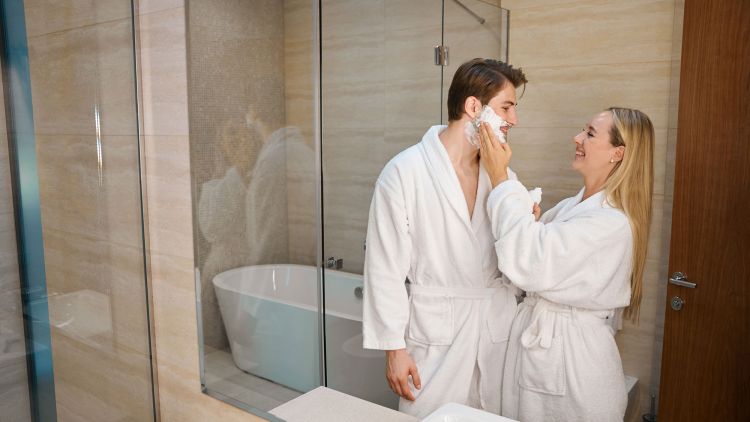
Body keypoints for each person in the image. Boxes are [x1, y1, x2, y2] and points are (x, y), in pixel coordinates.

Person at [362, 59, 527, 418]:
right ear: (473, 107)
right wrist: (394, 349)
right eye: (506, 107)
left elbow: (521, 257)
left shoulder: (502, 174)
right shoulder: (405, 171)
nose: (513, 120)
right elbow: (384, 267)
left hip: (494, 331)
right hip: (436, 334)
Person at [479, 107, 654, 421]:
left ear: (618, 152)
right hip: (546, 350)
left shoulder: (611, 222)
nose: (577, 138)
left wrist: (500, 179)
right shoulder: (569, 208)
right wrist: (528, 224)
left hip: (573, 365)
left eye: (589, 133)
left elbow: (530, 261)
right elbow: (522, 269)